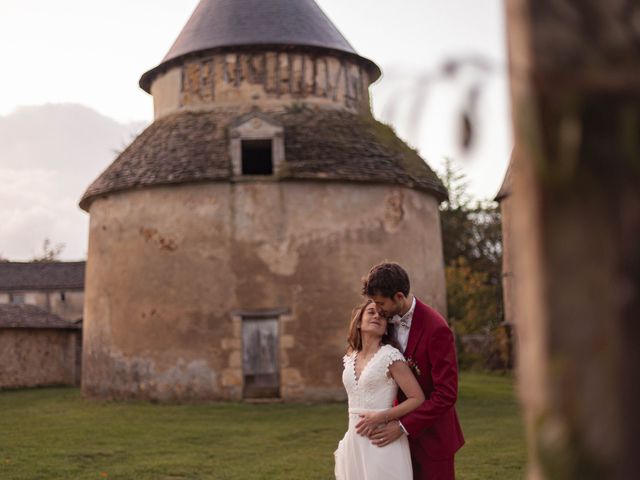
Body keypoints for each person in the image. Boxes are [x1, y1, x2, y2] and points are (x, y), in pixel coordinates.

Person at [359, 262, 465, 480]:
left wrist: (403, 426)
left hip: (433, 440)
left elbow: (446, 394)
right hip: (395, 440)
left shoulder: (437, 329)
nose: (377, 310)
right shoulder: (386, 322)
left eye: (380, 303)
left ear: (399, 297)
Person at [335, 300, 425, 480]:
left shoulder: (390, 356)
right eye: (371, 312)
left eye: (383, 316)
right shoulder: (350, 357)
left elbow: (417, 398)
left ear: (386, 329)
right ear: (359, 322)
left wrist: (382, 417)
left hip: (382, 439)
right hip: (354, 440)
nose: (377, 316)